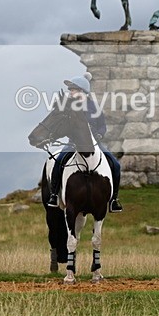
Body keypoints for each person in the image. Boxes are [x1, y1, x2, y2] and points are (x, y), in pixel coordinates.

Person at [47, 73, 123, 213]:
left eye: (73, 89)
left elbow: (102, 126)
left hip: (94, 143)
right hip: (73, 143)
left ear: (82, 91)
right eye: (70, 90)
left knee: (116, 165)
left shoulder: (94, 107)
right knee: (59, 161)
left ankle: (114, 200)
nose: (70, 92)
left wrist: (99, 134)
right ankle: (54, 195)